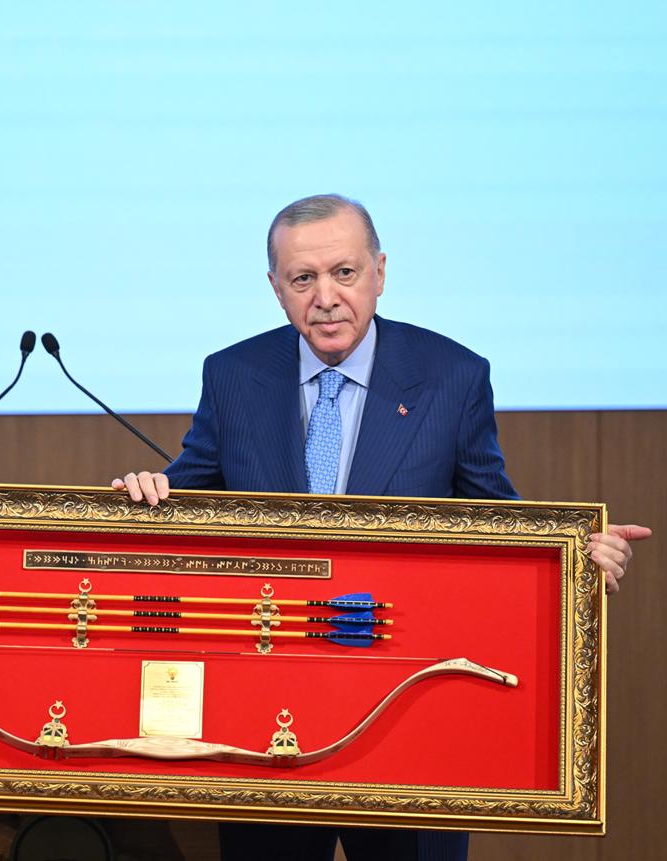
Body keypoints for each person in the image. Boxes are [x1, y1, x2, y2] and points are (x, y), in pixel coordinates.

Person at [114, 193, 650, 860]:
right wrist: (144, 496)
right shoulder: (233, 374)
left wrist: (576, 556)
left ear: (380, 272)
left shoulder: (452, 376)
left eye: (344, 272)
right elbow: (189, 497)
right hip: (267, 718)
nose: (326, 298)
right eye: (303, 278)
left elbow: (499, 522)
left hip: (406, 710)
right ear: (276, 287)